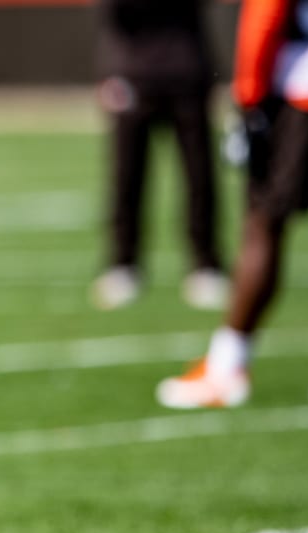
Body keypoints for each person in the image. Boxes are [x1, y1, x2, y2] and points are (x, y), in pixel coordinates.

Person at [156, 0, 308, 408]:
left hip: (300, 89)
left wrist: (249, 100)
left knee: (263, 226)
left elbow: (265, 14)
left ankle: (227, 366)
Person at [90, 0, 229, 311]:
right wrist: (108, 72)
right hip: (131, 72)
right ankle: (123, 263)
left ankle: (205, 263)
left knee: (200, 174)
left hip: (186, 70)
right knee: (126, 175)